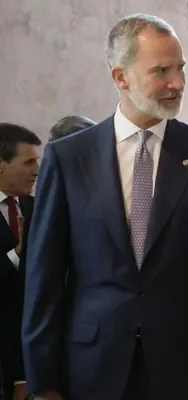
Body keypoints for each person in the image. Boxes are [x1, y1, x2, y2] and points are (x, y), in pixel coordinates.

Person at [22, 14, 188, 400]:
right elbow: (44, 276)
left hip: (186, 366)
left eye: (180, 68)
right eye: (161, 71)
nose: (177, 83)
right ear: (121, 77)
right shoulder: (69, 159)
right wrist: (41, 381)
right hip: (88, 368)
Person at [0, 124, 40, 400]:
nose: (36, 170)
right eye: (28, 162)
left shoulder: (37, 207)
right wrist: (18, 253)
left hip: (34, 353)